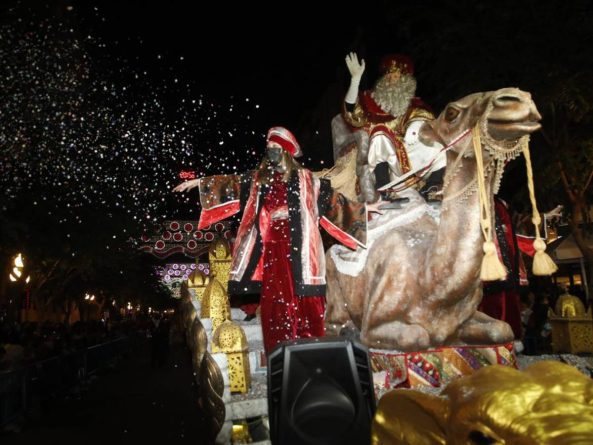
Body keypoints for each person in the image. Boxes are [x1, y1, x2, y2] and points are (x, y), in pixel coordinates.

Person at [174, 126, 382, 354]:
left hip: (303, 250)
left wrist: (364, 208)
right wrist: (199, 183)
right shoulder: (258, 180)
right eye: (269, 147)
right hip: (272, 249)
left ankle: (311, 356)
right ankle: (281, 356)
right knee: (276, 305)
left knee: (307, 302)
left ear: (286, 151)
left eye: (275, 147)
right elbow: (230, 184)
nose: (270, 151)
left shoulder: (307, 180)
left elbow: (334, 203)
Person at [342, 52, 445, 203]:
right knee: (380, 134)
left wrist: (416, 127)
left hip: (407, 161)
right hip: (379, 164)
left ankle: (431, 188)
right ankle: (385, 189)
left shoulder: (413, 105)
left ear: (406, 81)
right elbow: (351, 114)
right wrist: (355, 81)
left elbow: (424, 118)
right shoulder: (369, 101)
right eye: (389, 76)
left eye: (396, 76)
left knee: (439, 145)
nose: (392, 80)